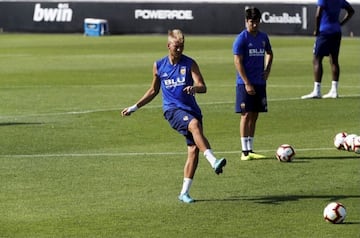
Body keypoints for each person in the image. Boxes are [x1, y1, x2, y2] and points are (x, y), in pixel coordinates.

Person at [121, 29, 226, 203]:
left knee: (193, 151)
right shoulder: (159, 65)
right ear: (168, 45)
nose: (179, 49)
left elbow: (203, 86)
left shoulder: (190, 63)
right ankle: (213, 160)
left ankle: (184, 193)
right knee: (193, 125)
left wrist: (195, 88)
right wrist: (134, 107)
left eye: (182, 46)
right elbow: (154, 90)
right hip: (172, 111)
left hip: (192, 109)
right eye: (176, 46)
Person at [232, 7, 273, 161]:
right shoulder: (241, 39)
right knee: (245, 115)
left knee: (255, 115)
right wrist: (247, 82)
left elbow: (270, 53)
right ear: (246, 21)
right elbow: (237, 61)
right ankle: (244, 151)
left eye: (256, 22)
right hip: (245, 83)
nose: (254, 25)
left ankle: (251, 149)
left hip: (260, 82)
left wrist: (267, 69)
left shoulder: (263, 37)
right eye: (251, 22)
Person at [301, 0, 354, 99]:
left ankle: (317, 90)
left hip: (324, 32)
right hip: (336, 32)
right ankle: (334, 90)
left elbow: (318, 14)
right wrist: (341, 23)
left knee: (317, 59)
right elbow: (351, 11)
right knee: (334, 60)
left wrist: (316, 30)